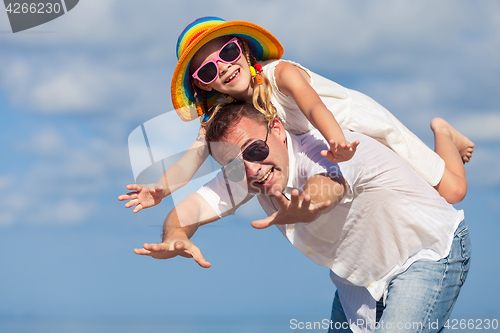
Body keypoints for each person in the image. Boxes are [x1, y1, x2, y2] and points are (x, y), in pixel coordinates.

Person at [134, 102, 471, 333]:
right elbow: (190, 206)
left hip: (427, 250)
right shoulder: (247, 174)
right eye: (235, 165)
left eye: (255, 150)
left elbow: (330, 183)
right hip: (360, 280)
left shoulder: (322, 147)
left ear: (278, 130)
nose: (252, 168)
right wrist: (175, 235)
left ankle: (443, 133)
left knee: (451, 187)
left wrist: (307, 203)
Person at [118, 17, 474, 213]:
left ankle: (442, 131)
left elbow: (313, 106)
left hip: (351, 126)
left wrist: (336, 140)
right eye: (208, 71)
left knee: (452, 191)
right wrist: (161, 189)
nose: (223, 68)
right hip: (334, 151)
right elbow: (193, 159)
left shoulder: (281, 73)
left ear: (242, 48)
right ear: (204, 86)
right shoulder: (229, 114)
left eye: (226, 53)